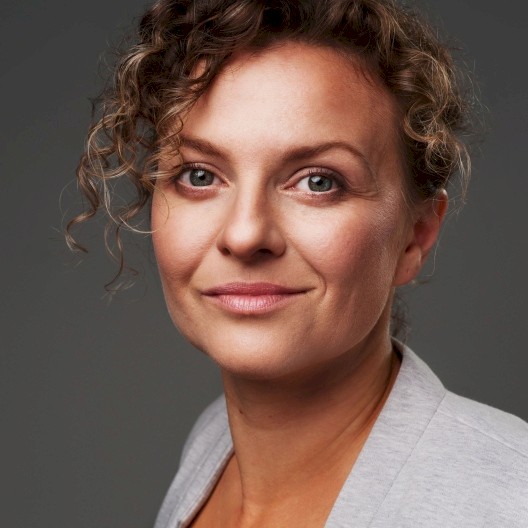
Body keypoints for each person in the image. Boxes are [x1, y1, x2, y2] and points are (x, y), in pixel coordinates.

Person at [67, 0, 528, 526]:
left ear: (415, 235)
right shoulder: (209, 448)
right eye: (199, 175)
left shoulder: (508, 499)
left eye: (318, 181)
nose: (245, 234)